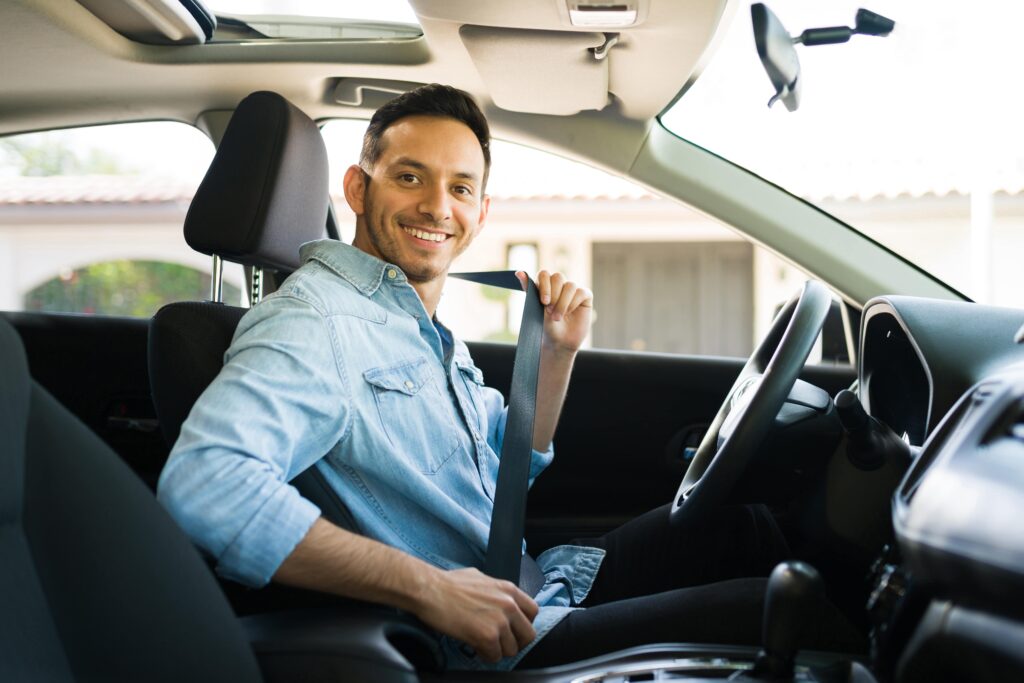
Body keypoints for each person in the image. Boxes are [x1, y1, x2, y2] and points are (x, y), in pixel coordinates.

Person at [158, 84, 846, 672]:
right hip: (495, 645)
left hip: (538, 583)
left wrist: (557, 354)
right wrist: (429, 588)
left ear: (481, 213)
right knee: (791, 610)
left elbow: (510, 466)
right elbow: (206, 484)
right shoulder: (314, 321)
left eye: (460, 187)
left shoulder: (412, 319)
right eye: (408, 176)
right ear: (357, 188)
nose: (436, 206)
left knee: (748, 529)